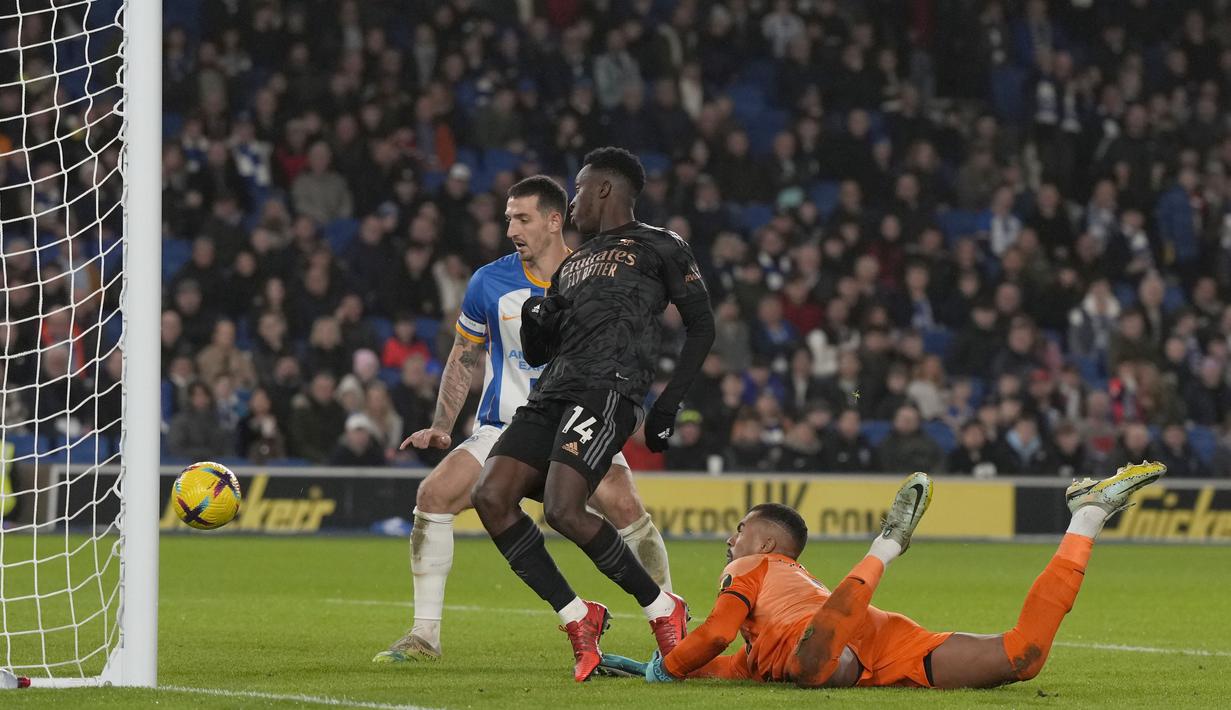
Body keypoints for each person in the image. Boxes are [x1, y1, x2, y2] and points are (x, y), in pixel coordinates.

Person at [373, 174, 675, 664]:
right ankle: (424, 635)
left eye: (523, 217)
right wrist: (443, 425)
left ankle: (667, 624)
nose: (511, 226)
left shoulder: (596, 275)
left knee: (623, 505)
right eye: (508, 217)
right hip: (504, 427)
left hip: (581, 418)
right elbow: (463, 355)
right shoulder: (488, 281)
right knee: (433, 494)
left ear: (555, 221)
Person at [598, 461, 1167, 691]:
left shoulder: (749, 567)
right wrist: (652, 670)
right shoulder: (789, 588)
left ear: (767, 544)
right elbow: (730, 661)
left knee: (813, 665)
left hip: (826, 641)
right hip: (872, 634)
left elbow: (716, 633)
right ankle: (1088, 516)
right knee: (1022, 657)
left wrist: (666, 668)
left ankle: (888, 543)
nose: (732, 539)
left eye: (741, 529)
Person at [471, 148, 714, 681]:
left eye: (578, 191)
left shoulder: (661, 245)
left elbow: (702, 326)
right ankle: (579, 617)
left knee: (562, 507)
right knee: (490, 495)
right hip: (553, 392)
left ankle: (661, 608)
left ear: (604, 188)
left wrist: (668, 402)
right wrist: (538, 319)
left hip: (610, 390)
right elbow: (540, 352)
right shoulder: (573, 264)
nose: (573, 201)